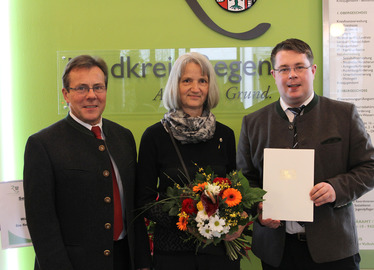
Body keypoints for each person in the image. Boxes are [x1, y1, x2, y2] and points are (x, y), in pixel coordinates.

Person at [237, 38, 374, 270]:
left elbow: (369, 167)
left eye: (299, 67)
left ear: (313, 70)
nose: (292, 75)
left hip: (334, 249)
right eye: (284, 69)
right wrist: (259, 208)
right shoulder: (254, 123)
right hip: (276, 252)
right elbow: (244, 179)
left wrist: (336, 189)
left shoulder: (343, 114)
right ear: (274, 74)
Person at [23, 55, 151, 270]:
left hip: (124, 260)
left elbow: (134, 210)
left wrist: (143, 263)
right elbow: (42, 224)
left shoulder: (124, 137)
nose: (91, 96)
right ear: (66, 94)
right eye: (81, 88)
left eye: (98, 87)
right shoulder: (42, 144)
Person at [136, 52, 241, 270]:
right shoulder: (154, 136)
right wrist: (187, 222)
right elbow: (144, 200)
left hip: (219, 253)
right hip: (173, 255)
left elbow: (237, 191)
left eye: (202, 81)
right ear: (175, 85)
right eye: (187, 81)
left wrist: (235, 221)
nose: (196, 88)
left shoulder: (225, 135)